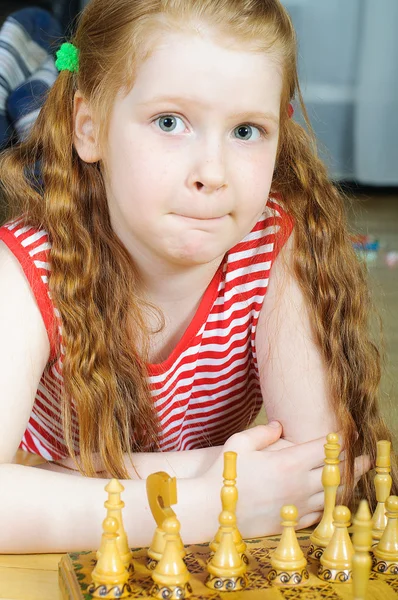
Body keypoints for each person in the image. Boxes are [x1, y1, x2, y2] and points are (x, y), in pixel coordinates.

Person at [0, 0, 394, 554]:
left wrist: (57, 478)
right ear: (87, 128)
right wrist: (208, 501)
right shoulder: (25, 270)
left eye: (246, 131)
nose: (212, 172)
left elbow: (317, 475)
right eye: (170, 122)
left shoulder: (274, 248)